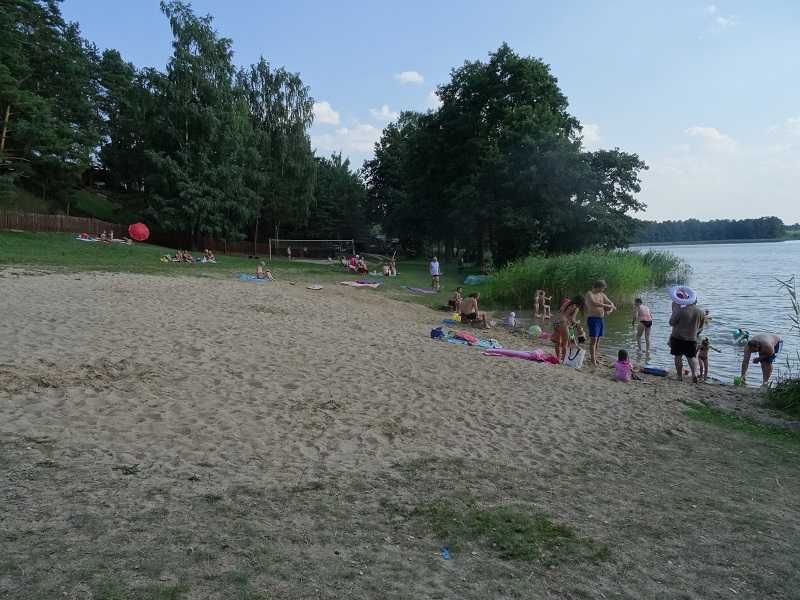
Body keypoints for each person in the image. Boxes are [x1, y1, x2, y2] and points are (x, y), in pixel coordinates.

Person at [668, 300, 705, 383]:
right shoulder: (701, 312)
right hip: (692, 338)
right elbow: (701, 327)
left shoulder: (681, 310)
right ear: (696, 301)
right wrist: (695, 333)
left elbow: (671, 323)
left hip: (678, 337)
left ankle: (679, 376)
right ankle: (694, 374)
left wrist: (674, 312)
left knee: (678, 357)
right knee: (691, 357)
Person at [584, 280, 616, 366]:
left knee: (598, 340)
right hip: (592, 319)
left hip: (601, 319)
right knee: (593, 340)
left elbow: (610, 302)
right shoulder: (589, 294)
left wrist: (611, 307)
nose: (603, 290)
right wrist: (608, 306)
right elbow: (594, 303)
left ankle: (595, 357)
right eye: (602, 288)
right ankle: (593, 360)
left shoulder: (602, 294)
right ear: (598, 287)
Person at [552, 295, 584, 363]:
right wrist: (577, 322)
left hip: (556, 322)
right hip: (563, 323)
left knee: (558, 342)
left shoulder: (567, 302)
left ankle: (558, 358)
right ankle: (563, 360)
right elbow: (572, 320)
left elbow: (561, 311)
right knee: (565, 343)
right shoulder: (576, 307)